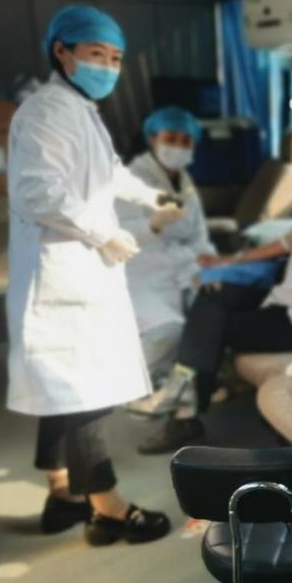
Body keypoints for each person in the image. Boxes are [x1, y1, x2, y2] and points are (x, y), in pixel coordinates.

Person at [7, 5, 180, 545]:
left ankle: (60, 493)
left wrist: (151, 197)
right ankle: (107, 509)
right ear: (62, 52)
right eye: (96, 54)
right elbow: (38, 192)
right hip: (61, 273)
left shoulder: (79, 110)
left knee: (62, 389)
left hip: (78, 271)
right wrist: (103, 233)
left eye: (115, 58)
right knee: (84, 393)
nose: (107, 67)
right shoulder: (46, 112)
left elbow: (109, 175)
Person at [137, 137, 292, 454]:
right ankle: (188, 389)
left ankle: (184, 413)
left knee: (211, 325)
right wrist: (228, 262)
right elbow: (286, 244)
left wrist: (266, 301)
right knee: (213, 296)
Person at [116, 106, 215, 400]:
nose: (178, 147)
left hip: (181, 269)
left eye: (186, 141)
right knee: (170, 330)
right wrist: (152, 225)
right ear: (152, 139)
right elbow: (118, 235)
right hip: (141, 273)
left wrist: (208, 265)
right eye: (171, 138)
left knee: (211, 313)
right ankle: (125, 383)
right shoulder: (131, 178)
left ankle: (185, 384)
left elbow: (199, 235)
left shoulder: (186, 182)